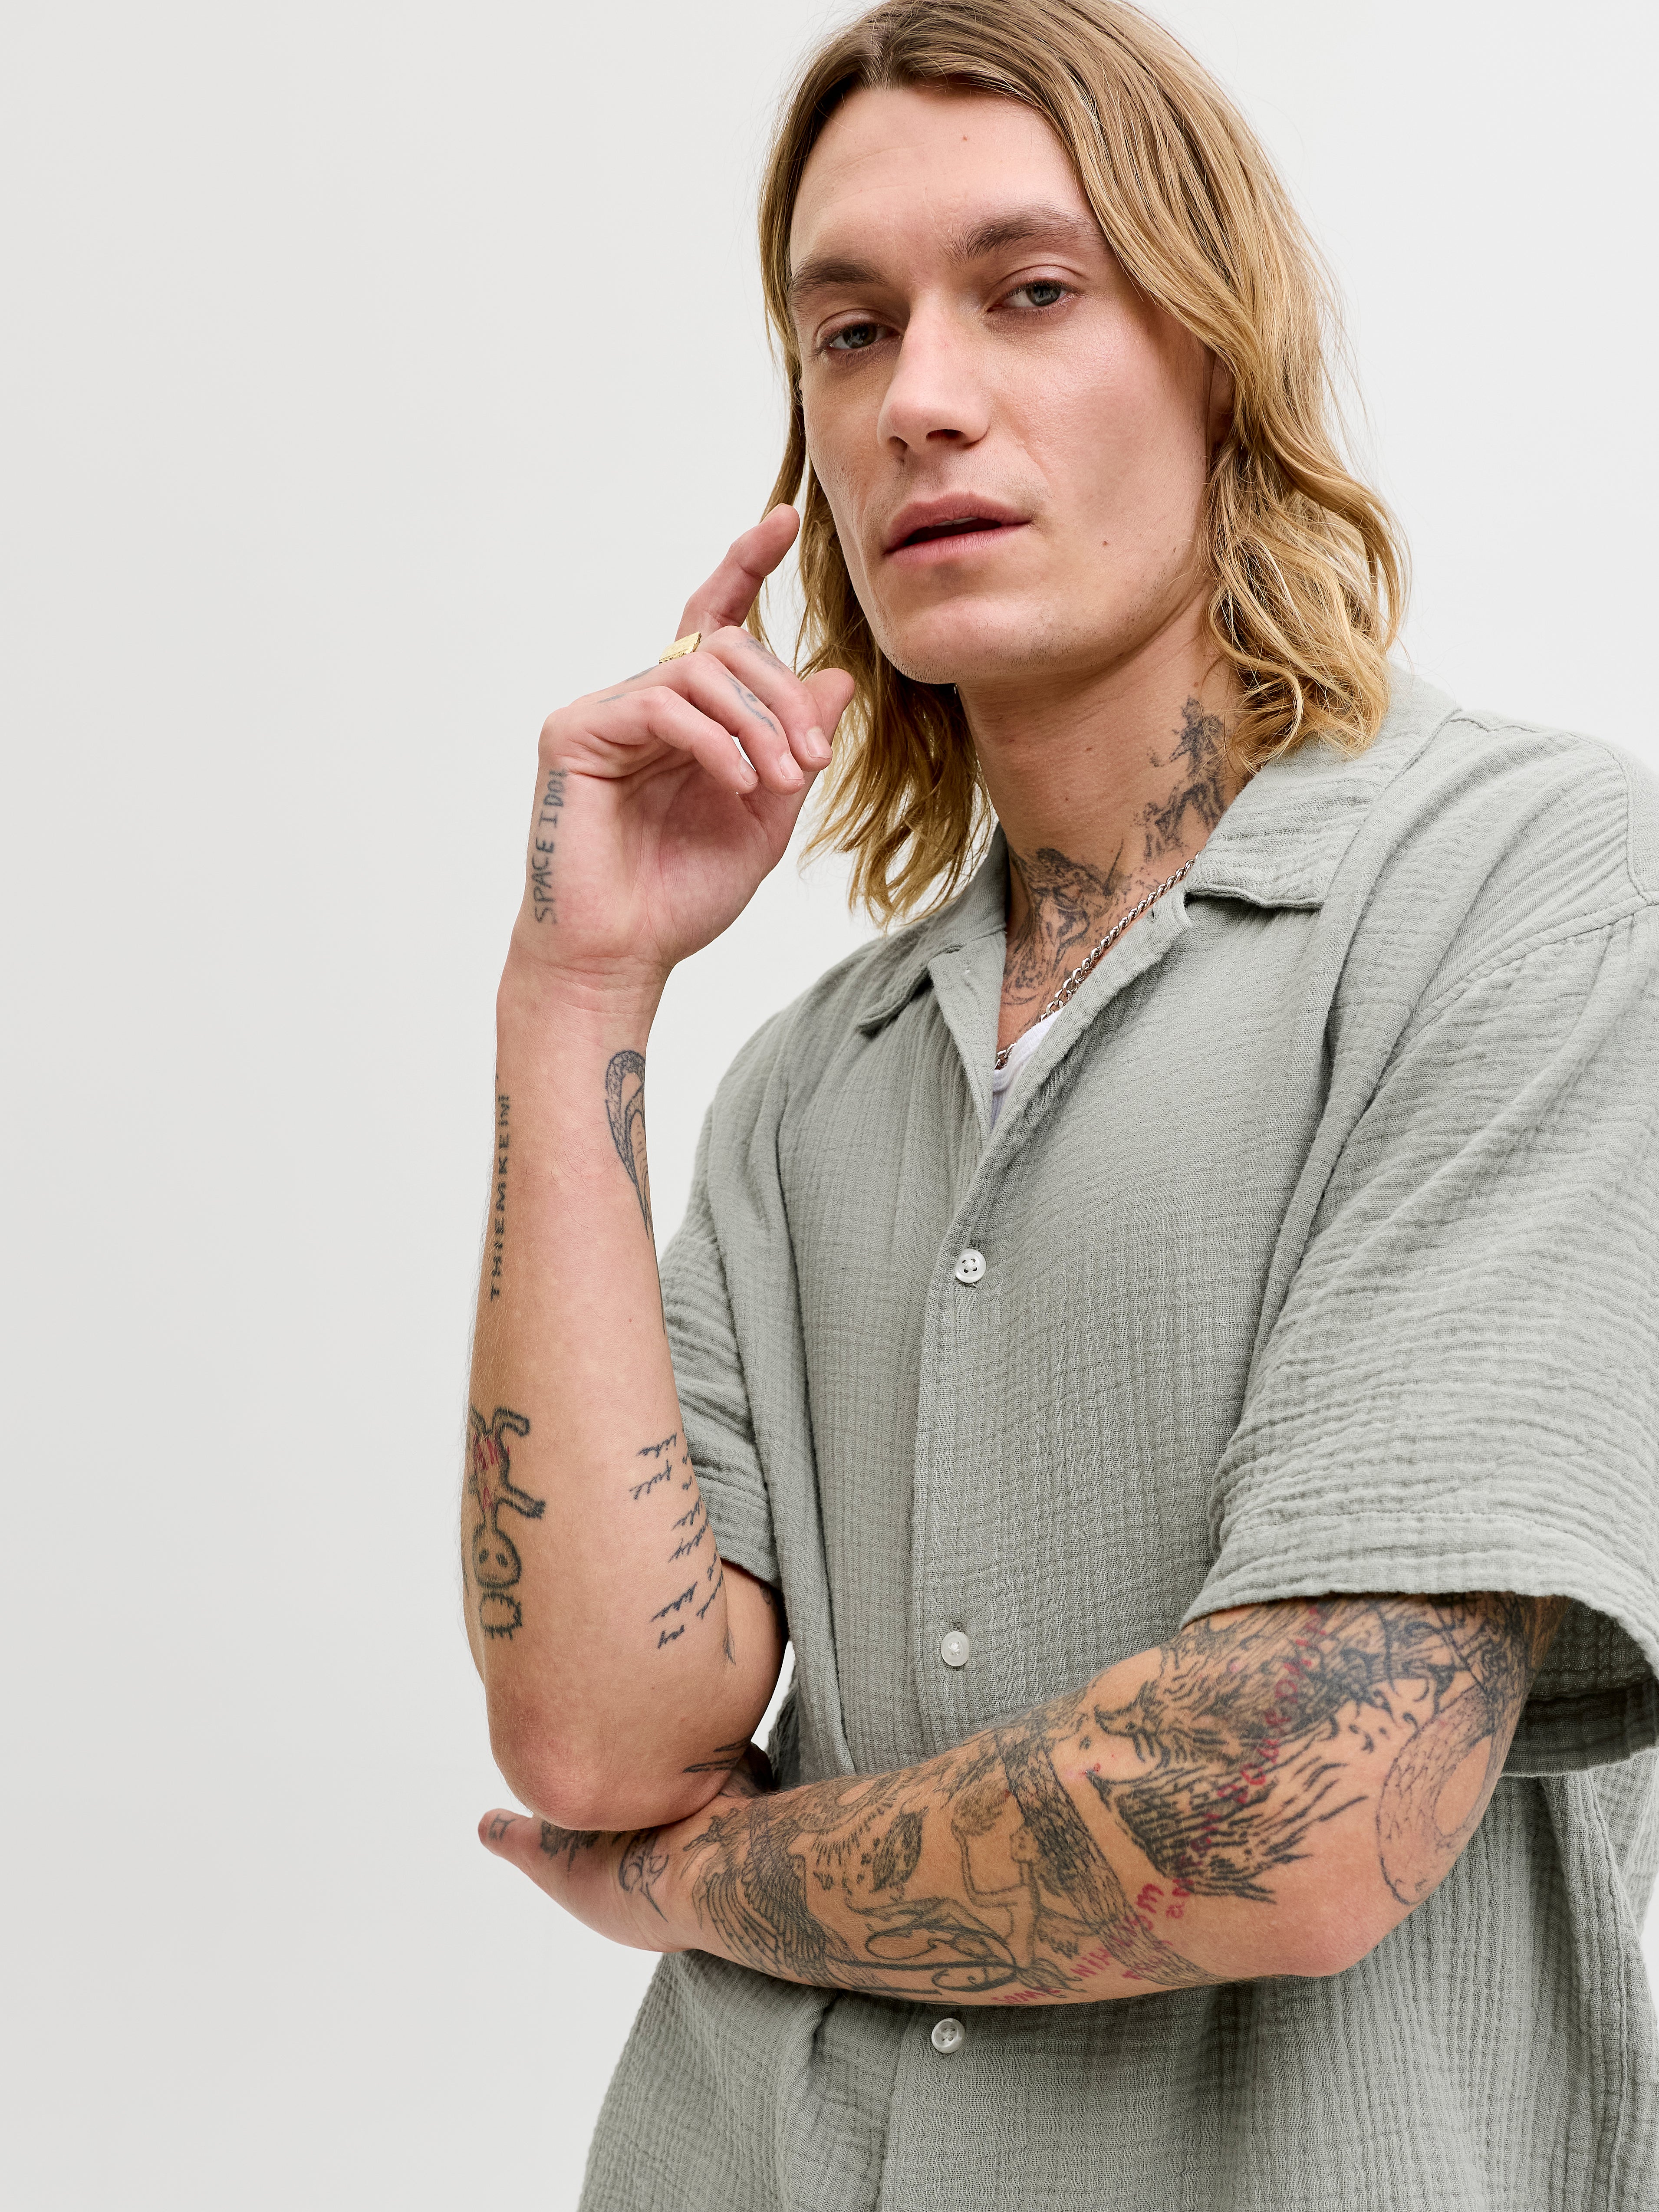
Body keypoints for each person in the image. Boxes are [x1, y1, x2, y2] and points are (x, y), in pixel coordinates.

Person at [461, 3, 1659, 2204]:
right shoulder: (807, 1088)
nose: (915, 397)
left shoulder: (1531, 897)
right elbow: (598, 1738)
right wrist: (577, 992)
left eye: (1026, 291)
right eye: (846, 331)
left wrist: (704, 1887)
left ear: (1215, 357)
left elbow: (1288, 1818)